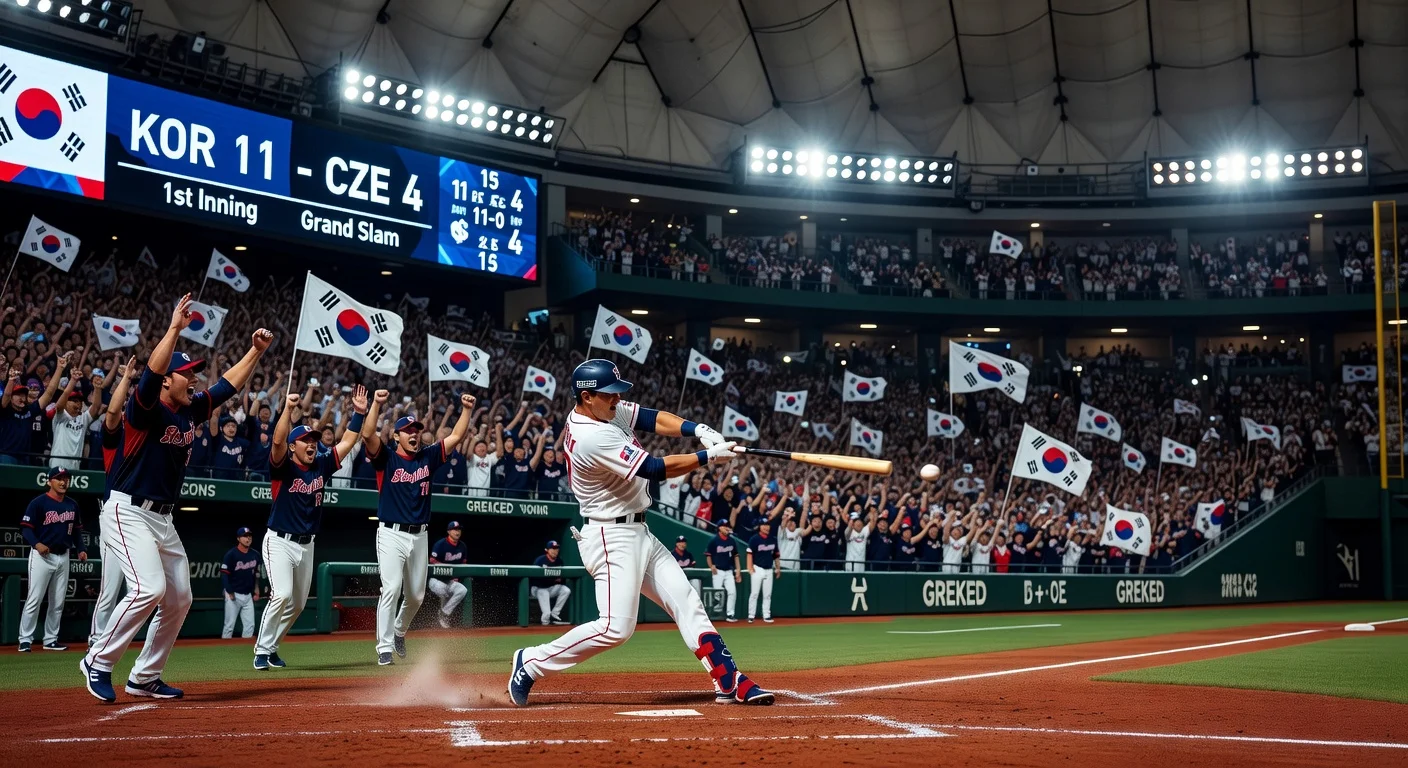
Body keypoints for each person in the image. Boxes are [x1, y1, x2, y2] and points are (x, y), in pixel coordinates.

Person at [508, 359, 772, 707]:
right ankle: (531, 662)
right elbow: (652, 468)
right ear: (587, 397)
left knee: (687, 601)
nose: (617, 400)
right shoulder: (592, 435)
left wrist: (699, 428)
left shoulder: (602, 410)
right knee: (615, 629)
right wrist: (708, 456)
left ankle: (729, 678)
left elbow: (650, 417)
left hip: (637, 529)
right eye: (610, 395)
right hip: (610, 536)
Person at [82, 296, 272, 703]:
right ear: (167, 379)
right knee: (147, 589)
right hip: (127, 509)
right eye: (187, 374)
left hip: (162, 519)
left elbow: (228, 386)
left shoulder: (191, 411)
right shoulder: (146, 408)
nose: (196, 380)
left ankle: (145, 676)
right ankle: (97, 660)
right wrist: (173, 329)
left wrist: (254, 352)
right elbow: (151, 372)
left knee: (180, 597)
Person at [254, 386, 367, 670]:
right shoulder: (283, 467)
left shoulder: (321, 465)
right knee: (281, 595)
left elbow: (349, 441)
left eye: (313, 439)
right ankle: (261, 650)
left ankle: (272, 646)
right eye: (305, 440)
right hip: (279, 539)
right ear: (294, 447)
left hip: (307, 544)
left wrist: (359, 413)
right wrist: (287, 412)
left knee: (298, 604)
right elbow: (278, 441)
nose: (311, 443)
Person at [362, 389, 474, 666]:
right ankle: (384, 647)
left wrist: (467, 410)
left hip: (420, 535)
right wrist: (376, 404)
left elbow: (457, 436)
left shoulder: (428, 456)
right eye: (407, 431)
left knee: (416, 595)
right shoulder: (387, 458)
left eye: (416, 430)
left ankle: (399, 631)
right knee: (391, 588)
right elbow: (367, 436)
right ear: (396, 436)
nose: (413, 434)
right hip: (390, 532)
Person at [89, 357, 136, 650]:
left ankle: (116, 639)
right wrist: (126, 379)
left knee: (139, 588)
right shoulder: (115, 439)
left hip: (140, 516)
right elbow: (113, 411)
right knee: (110, 587)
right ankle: (96, 639)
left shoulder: (146, 441)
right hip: (115, 512)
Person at [18, 467, 85, 652]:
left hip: (64, 555)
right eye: (59, 478)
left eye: (66, 478)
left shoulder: (72, 504)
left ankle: (50, 640)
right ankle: (25, 640)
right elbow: (26, 527)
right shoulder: (38, 503)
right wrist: (36, 544)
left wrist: (81, 549)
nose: (63, 482)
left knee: (58, 602)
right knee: (34, 599)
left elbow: (77, 530)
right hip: (42, 557)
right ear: (49, 482)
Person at [220, 527, 261, 640]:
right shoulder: (231, 554)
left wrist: (256, 589)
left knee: (250, 626)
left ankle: (244, 652)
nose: (248, 538)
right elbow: (224, 574)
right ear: (238, 538)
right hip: (233, 594)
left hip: (247, 595)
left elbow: (256, 573)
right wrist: (229, 590)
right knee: (229, 626)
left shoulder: (255, 554)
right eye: (245, 536)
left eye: (249, 536)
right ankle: (224, 652)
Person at [427, 521, 469, 629]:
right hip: (436, 580)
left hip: (450, 580)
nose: (457, 532)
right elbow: (432, 560)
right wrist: (447, 568)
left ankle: (444, 613)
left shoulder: (462, 546)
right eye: (455, 529)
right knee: (443, 590)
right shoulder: (440, 544)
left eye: (459, 529)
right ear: (448, 531)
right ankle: (442, 615)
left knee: (462, 590)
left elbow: (463, 564)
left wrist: (456, 576)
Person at [745, 520, 779, 623]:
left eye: (767, 525)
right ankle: (751, 615)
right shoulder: (754, 539)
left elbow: (776, 555)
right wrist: (749, 568)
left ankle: (766, 615)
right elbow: (749, 553)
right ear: (760, 527)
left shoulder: (772, 539)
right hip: (757, 568)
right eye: (764, 525)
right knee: (754, 593)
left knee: (767, 594)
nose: (766, 527)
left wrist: (778, 567)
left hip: (769, 569)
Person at [531, 540, 571, 625]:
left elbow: (562, 580)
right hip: (538, 589)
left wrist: (553, 580)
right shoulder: (540, 560)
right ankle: (545, 623)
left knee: (566, 590)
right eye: (552, 548)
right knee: (546, 613)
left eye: (556, 548)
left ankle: (555, 614)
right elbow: (535, 579)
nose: (555, 551)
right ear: (547, 550)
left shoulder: (559, 561)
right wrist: (552, 579)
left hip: (551, 588)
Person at [707, 521, 741, 622]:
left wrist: (738, 569)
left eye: (728, 526)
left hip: (729, 570)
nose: (727, 528)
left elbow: (736, 556)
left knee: (732, 592)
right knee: (717, 593)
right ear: (719, 528)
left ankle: (730, 614)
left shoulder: (732, 540)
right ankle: (717, 614)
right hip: (718, 571)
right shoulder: (714, 540)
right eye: (724, 526)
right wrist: (711, 566)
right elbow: (708, 555)